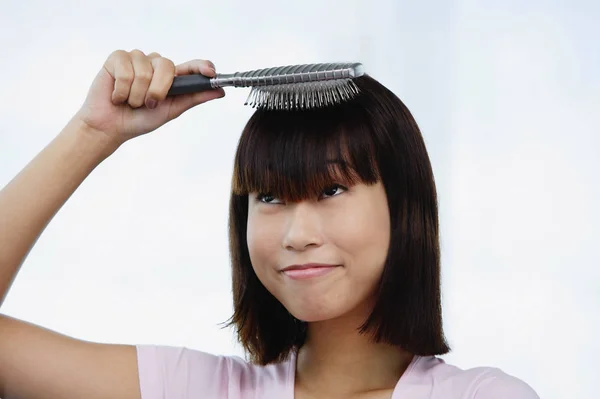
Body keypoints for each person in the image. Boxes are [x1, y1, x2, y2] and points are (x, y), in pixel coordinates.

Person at [0, 49, 539, 399]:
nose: (295, 234)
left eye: (331, 190)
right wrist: (94, 132)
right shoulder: (199, 391)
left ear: (405, 206)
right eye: (271, 197)